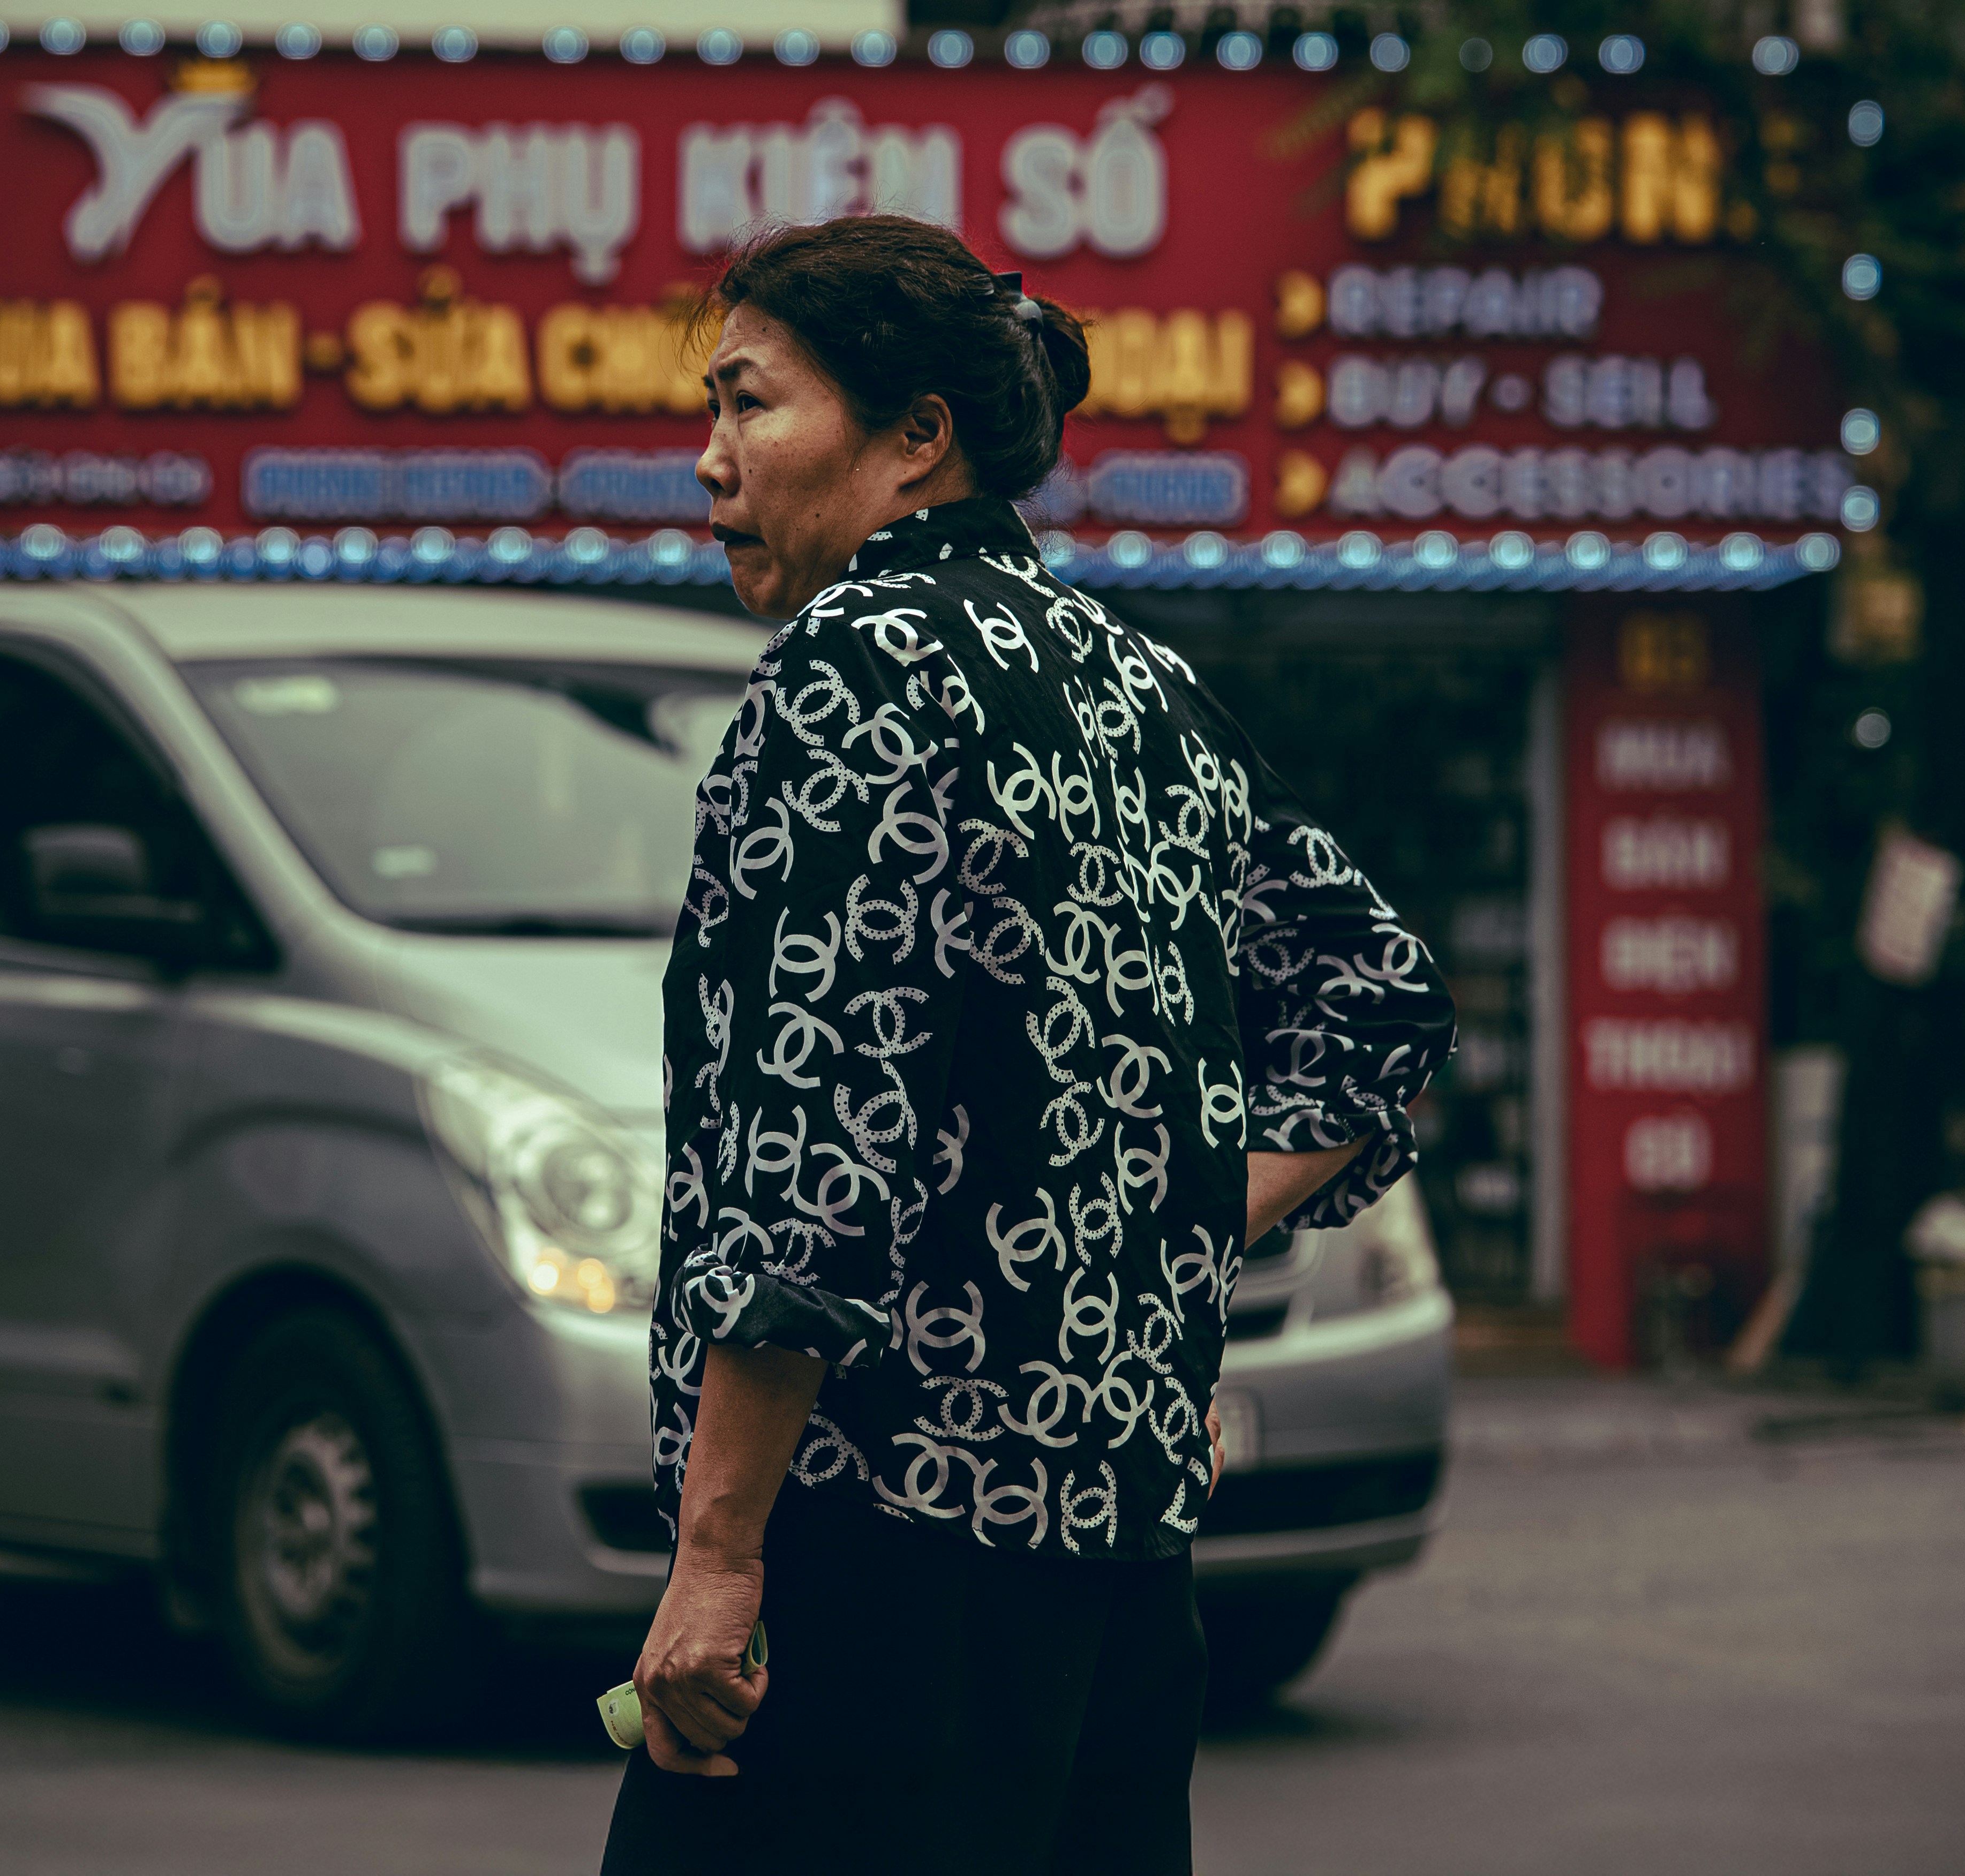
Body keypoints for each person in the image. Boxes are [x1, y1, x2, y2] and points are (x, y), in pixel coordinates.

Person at [600, 215, 1456, 1876]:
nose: (708, 463)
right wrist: (1154, 1237)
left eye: (751, 406)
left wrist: (718, 1553)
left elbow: (810, 1164)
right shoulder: (1139, 686)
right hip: (1121, 1585)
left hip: (880, 1561)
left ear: (916, 436)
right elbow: (1381, 1002)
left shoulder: (854, 665)